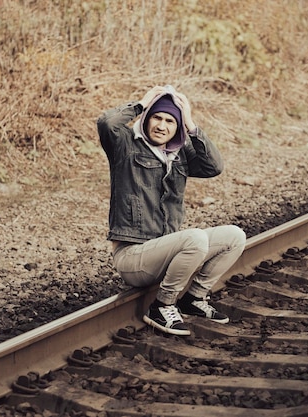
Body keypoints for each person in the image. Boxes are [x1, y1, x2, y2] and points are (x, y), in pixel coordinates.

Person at [97, 85, 246, 336]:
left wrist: (190, 122)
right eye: (156, 117)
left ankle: (194, 299)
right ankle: (163, 305)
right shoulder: (125, 146)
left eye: (170, 121)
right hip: (133, 257)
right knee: (195, 238)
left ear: (177, 127)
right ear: (147, 119)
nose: (161, 126)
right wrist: (143, 103)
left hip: (164, 251)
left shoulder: (179, 154)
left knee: (234, 236)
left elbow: (214, 167)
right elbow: (107, 122)